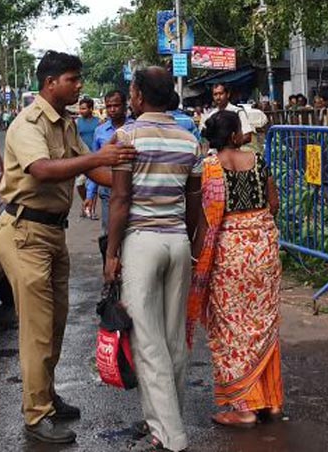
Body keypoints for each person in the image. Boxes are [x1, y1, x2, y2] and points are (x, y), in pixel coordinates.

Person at [0, 51, 136, 445]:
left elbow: (89, 169)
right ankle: (36, 415)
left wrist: (132, 183)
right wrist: (100, 156)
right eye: (73, 80)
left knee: (55, 323)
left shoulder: (65, 125)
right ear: (51, 82)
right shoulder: (28, 123)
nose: (79, 87)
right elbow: (42, 169)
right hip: (25, 232)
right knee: (38, 328)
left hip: (52, 232)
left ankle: (46, 396)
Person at [104, 67, 202, 452]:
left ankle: (172, 435)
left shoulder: (127, 136)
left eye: (131, 90)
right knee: (174, 338)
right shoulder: (189, 139)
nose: (129, 96)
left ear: (140, 96)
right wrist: (190, 243)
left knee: (148, 342)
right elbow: (194, 202)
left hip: (142, 242)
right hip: (178, 241)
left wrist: (111, 253)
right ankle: (162, 421)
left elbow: (120, 200)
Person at [188, 111, 283, 428]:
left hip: (229, 256)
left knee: (230, 328)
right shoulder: (257, 160)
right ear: (233, 136)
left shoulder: (210, 168)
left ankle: (242, 409)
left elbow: (205, 220)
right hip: (263, 250)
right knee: (263, 323)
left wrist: (196, 260)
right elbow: (274, 203)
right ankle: (269, 403)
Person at [87, 89, 133, 242]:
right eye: (109, 106)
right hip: (108, 191)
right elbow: (95, 163)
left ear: (124, 106)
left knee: (130, 232)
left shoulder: (136, 128)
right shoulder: (100, 131)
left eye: (116, 105)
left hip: (132, 188)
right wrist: (90, 194)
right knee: (109, 232)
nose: (112, 109)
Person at [75, 96, 100, 217]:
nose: (81, 111)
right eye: (80, 108)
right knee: (80, 184)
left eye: (84, 108)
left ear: (91, 109)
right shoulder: (77, 123)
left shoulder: (99, 122)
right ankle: (86, 202)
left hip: (95, 158)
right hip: (82, 159)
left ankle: (91, 210)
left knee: (92, 185)